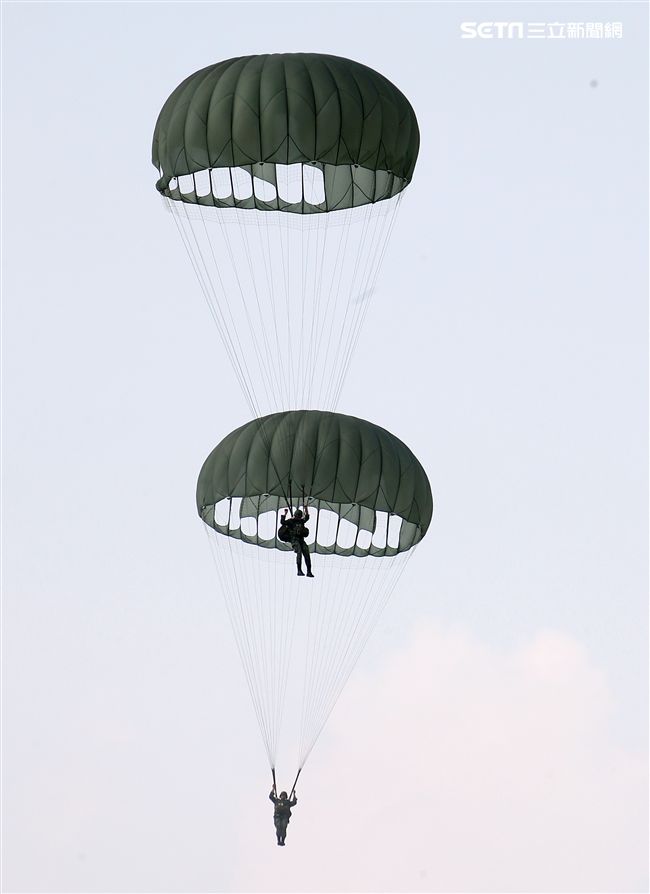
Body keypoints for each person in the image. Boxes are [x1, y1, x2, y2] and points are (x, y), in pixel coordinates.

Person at [279, 507, 314, 577]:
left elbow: (307, 517)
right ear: (295, 516)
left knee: (306, 553)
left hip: (301, 539)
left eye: (299, 517)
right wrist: (285, 513)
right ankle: (299, 570)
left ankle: (309, 571)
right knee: (299, 552)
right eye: (298, 517)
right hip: (294, 539)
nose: (298, 518)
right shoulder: (291, 521)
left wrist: (306, 508)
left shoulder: (301, 521)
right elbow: (282, 522)